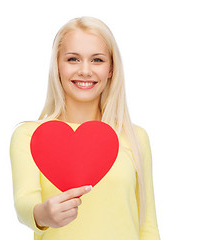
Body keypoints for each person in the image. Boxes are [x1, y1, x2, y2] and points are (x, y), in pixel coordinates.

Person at [10, 16, 160, 240]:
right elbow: (24, 203)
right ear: (58, 66)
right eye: (73, 59)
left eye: (97, 60)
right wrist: (42, 215)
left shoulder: (134, 136)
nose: (85, 70)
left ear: (111, 69)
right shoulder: (29, 136)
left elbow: (147, 225)